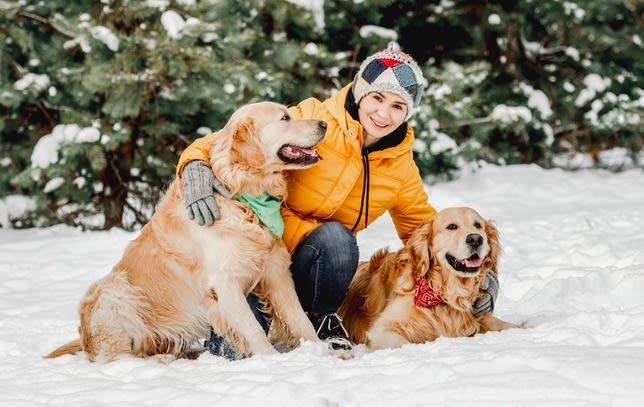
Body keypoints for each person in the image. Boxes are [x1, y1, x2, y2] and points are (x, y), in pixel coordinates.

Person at [176, 48, 499, 357]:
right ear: (360, 93)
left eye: (398, 106)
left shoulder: (400, 166)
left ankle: (320, 316)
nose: (383, 114)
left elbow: (425, 231)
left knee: (337, 240)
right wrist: (193, 164)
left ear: (408, 112)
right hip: (258, 252)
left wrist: (481, 271)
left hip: (319, 265)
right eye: (377, 98)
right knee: (233, 353)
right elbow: (232, 134)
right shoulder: (315, 118)